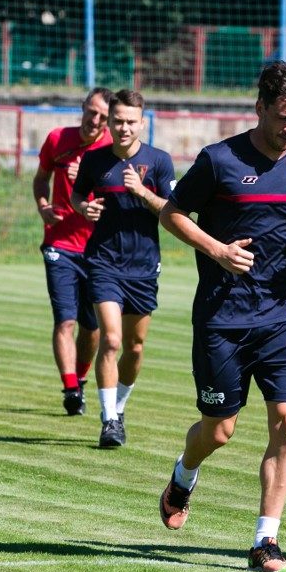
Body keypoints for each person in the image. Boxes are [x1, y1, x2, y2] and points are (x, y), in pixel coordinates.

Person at [158, 61, 286, 572]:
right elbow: (171, 214)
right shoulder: (218, 160)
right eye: (283, 117)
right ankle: (184, 475)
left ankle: (265, 541)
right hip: (223, 315)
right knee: (219, 429)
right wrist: (216, 250)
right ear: (259, 107)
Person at [71, 89, 176, 447]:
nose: (123, 128)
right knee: (111, 339)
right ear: (108, 121)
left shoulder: (159, 162)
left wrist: (142, 192)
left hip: (144, 267)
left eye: (131, 122)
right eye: (117, 121)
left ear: (142, 122)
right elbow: (77, 195)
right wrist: (84, 209)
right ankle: (109, 420)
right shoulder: (95, 160)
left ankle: (119, 406)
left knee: (134, 346)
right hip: (102, 262)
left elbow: (172, 211)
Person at [33, 87, 114, 416]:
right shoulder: (57, 138)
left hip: (97, 248)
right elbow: (40, 178)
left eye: (103, 117)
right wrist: (42, 205)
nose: (95, 121)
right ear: (83, 107)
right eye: (91, 112)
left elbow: (118, 195)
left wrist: (87, 183)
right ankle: (70, 388)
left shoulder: (113, 148)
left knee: (91, 328)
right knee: (64, 321)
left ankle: (79, 379)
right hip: (60, 243)